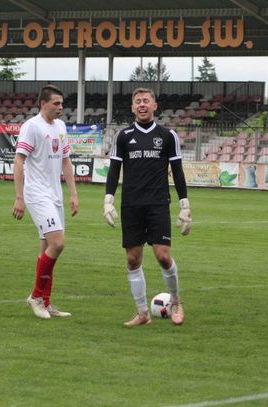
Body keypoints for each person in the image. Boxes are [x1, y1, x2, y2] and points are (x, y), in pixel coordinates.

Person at [103, 88, 192, 327]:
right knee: (133, 259)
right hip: (131, 205)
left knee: (163, 256)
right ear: (133, 107)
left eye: (146, 101)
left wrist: (185, 205)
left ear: (154, 106)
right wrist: (108, 200)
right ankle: (142, 313)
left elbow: (178, 171)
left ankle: (175, 302)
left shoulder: (168, 136)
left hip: (158, 204)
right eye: (138, 102)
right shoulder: (123, 136)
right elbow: (114, 169)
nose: (142, 105)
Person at [13, 85, 78, 320]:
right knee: (58, 243)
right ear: (43, 103)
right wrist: (19, 197)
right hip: (37, 194)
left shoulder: (60, 126)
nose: (60, 108)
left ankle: (45, 301)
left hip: (55, 194)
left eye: (62, 104)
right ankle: (35, 297)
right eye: (56, 103)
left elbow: (66, 161)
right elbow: (19, 161)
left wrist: (73, 194)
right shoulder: (31, 126)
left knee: (48, 250)